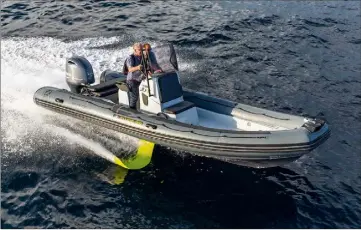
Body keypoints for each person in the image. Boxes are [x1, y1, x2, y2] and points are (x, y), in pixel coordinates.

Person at [125, 43, 162, 110]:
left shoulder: (143, 56)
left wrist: (158, 69)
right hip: (132, 80)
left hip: (141, 78)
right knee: (134, 97)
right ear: (135, 50)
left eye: (142, 50)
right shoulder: (130, 58)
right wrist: (138, 67)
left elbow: (151, 64)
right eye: (139, 50)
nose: (141, 51)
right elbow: (130, 69)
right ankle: (131, 110)